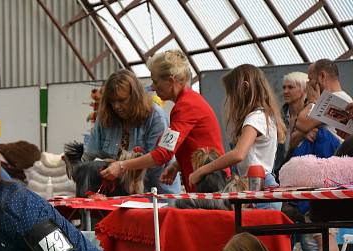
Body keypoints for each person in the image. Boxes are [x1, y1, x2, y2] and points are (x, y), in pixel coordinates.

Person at [100, 50, 227, 192]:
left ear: (171, 81)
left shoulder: (186, 107)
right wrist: (176, 166)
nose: (153, 87)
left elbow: (162, 154)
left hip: (210, 186)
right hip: (207, 183)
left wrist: (122, 165)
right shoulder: (189, 102)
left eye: (155, 81)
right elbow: (192, 144)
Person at [189, 64, 285, 210]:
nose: (230, 99)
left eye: (231, 93)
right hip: (259, 185)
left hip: (260, 187)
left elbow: (238, 154)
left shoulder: (255, 118)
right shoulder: (264, 116)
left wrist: (202, 170)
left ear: (244, 88)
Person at [80, 69, 170, 193]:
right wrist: (77, 169)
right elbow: (89, 156)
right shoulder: (105, 117)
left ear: (135, 97)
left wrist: (120, 166)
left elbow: (157, 162)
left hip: (154, 194)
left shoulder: (156, 118)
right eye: (112, 101)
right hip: (115, 194)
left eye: (122, 100)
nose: (116, 106)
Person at [296, 59, 352, 141]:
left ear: (322, 76)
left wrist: (312, 102)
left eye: (310, 79)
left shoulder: (336, 100)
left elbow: (301, 124)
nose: (308, 85)